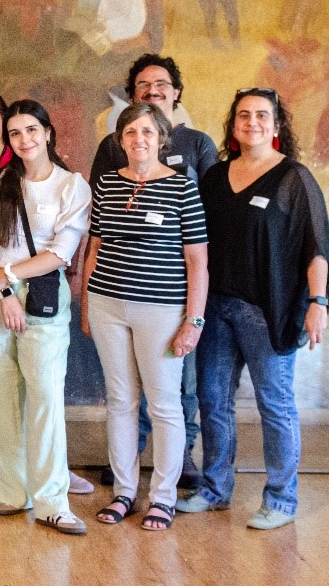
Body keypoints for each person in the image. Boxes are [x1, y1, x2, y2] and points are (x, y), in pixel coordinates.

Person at [178, 88, 329, 530]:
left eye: (262, 115)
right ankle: (214, 489)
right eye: (243, 115)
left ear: (277, 125)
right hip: (216, 311)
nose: (252, 122)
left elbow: (317, 247)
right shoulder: (214, 177)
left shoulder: (293, 178)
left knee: (275, 404)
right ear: (233, 125)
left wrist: (318, 303)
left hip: (269, 312)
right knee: (213, 402)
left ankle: (282, 499)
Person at [90, 53, 216, 488]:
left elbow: (199, 247)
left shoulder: (194, 153)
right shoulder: (109, 164)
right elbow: (97, 236)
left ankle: (171, 481)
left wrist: (193, 314)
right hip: (110, 300)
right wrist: (87, 299)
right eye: (143, 84)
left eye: (161, 83)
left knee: (172, 397)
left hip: (167, 301)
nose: (138, 139)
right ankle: (126, 487)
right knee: (122, 400)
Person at [0, 100, 91, 535]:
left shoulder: (71, 186)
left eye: (31, 131)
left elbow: (61, 251)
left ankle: (51, 501)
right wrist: (2, 288)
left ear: (48, 133)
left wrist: (11, 277)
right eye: (15, 132)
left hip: (41, 297)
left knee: (43, 395)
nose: (24, 140)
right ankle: (11, 492)